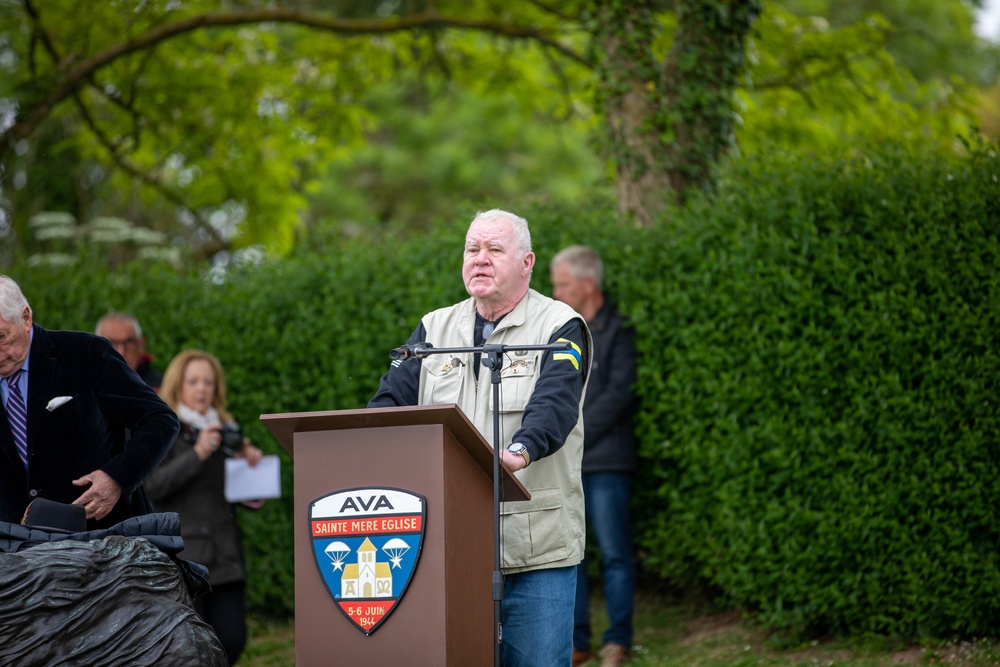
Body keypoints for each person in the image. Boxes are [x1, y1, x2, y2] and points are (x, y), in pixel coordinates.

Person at [368, 209, 592, 667]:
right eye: (472, 249)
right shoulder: (434, 329)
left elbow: (555, 404)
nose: (480, 259)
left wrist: (519, 451)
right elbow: (389, 401)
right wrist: (365, 448)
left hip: (538, 549)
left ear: (527, 262)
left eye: (494, 249)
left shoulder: (560, 326)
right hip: (454, 545)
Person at [0, 275, 179, 529]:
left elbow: (160, 421)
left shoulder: (85, 353)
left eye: (1, 337)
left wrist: (117, 478)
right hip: (17, 551)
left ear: (26, 318)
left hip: (102, 539)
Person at [144, 349, 263, 666]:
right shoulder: (164, 429)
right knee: (192, 647)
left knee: (233, 639)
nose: (201, 389)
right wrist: (197, 453)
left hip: (226, 555)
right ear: (177, 385)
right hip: (186, 559)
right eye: (193, 381)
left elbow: (246, 497)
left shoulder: (225, 431)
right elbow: (153, 486)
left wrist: (249, 467)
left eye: (208, 382)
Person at [551, 246, 638, 667]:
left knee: (616, 553)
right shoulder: (563, 329)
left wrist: (573, 430)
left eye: (563, 284)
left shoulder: (619, 329)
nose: (556, 292)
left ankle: (618, 641)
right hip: (570, 462)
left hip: (607, 463)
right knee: (572, 554)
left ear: (587, 285)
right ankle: (578, 643)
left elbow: (620, 394)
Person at [96, 311, 163, 390]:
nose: (121, 352)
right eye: (111, 343)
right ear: (96, 346)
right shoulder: (83, 388)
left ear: (141, 345)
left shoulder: (162, 390)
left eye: (128, 342)